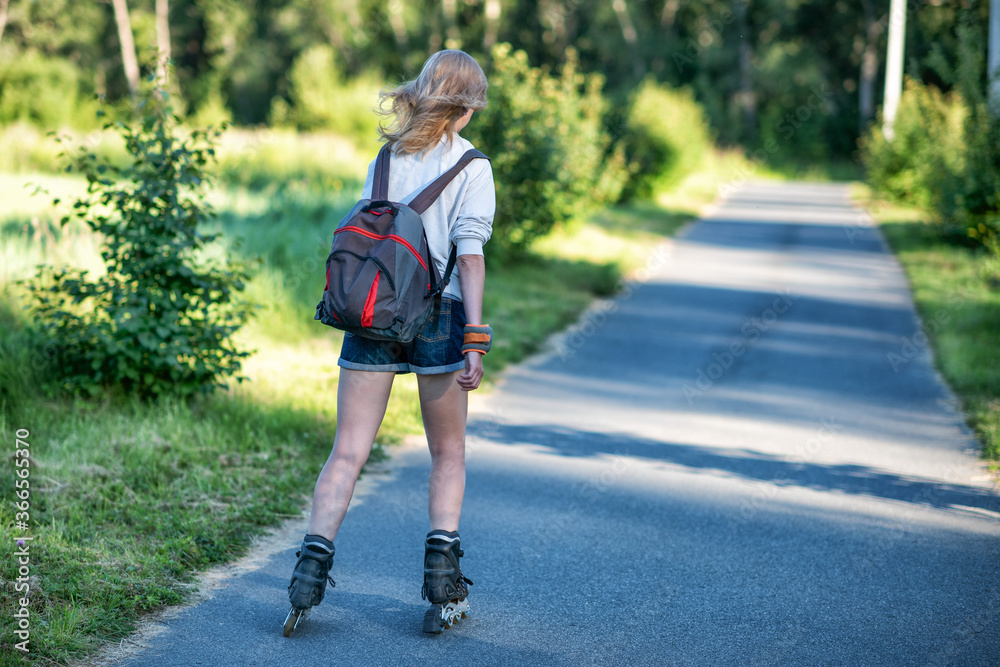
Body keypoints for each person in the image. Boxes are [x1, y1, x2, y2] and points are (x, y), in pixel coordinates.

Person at [284, 49, 495, 636]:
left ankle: (307, 575)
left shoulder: (387, 157)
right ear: (467, 108)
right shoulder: (473, 168)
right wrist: (475, 339)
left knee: (347, 452)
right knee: (447, 453)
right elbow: (470, 257)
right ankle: (442, 586)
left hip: (373, 312)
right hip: (439, 316)